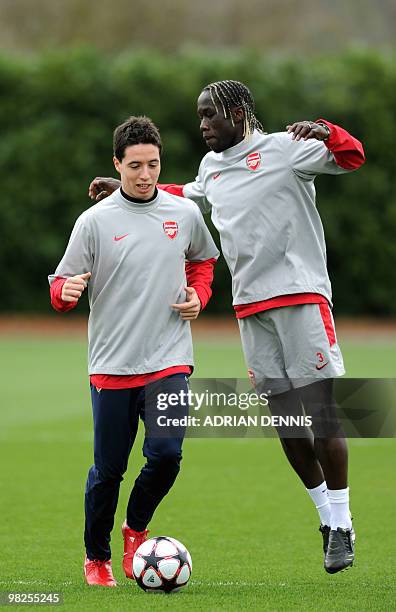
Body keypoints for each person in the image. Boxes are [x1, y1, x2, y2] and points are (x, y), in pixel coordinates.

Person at [88, 81, 365, 574]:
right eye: (200, 116)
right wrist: (126, 188)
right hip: (250, 310)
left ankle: (343, 524)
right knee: (286, 422)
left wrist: (326, 130)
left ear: (238, 113)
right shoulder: (212, 167)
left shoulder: (287, 149)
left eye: (210, 115)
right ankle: (325, 519)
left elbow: (352, 157)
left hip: (301, 297)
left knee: (321, 415)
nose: (202, 125)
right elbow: (187, 194)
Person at [49, 115, 219, 587]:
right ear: (117, 165)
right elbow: (60, 283)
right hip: (111, 365)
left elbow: (204, 261)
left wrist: (198, 297)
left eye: (153, 165)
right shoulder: (94, 222)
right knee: (108, 471)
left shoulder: (183, 213)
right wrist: (64, 292)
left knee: (166, 455)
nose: (145, 175)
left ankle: (136, 529)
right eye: (135, 166)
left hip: (169, 360)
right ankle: (96, 557)